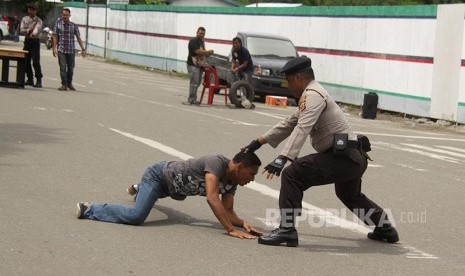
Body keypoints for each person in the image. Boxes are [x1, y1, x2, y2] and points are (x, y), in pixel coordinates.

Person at [242, 56, 399, 247]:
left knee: (293, 175)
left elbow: (302, 127)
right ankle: (385, 228)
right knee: (349, 195)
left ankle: (287, 230)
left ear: (299, 78)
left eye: (290, 81)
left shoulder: (313, 95)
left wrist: (283, 158)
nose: (289, 86)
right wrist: (256, 143)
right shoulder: (312, 94)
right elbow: (289, 123)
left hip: (345, 157)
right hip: (352, 158)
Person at [76, 152, 263, 239]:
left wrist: (241, 223)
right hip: (159, 177)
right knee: (136, 216)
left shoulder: (232, 183)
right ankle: (90, 209)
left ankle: (139, 188)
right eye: (252, 173)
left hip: (173, 190)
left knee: (148, 197)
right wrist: (230, 230)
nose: (252, 179)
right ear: (239, 167)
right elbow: (212, 198)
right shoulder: (217, 163)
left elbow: (228, 210)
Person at [53, 8, 86, 91]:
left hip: (71, 50)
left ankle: (69, 83)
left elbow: (78, 37)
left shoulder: (74, 26)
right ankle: (64, 84)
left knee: (71, 69)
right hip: (61, 50)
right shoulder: (58, 25)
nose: (65, 16)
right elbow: (55, 37)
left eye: (66, 15)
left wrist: (83, 48)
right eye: (63, 15)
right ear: (61, 15)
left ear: (69, 16)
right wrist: (54, 48)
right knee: (62, 68)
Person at [186, 27, 214, 105]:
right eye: (200, 33)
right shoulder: (193, 41)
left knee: (197, 82)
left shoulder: (201, 41)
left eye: (203, 34)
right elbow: (198, 51)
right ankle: (191, 99)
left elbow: (203, 52)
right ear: (197, 32)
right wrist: (207, 52)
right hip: (192, 65)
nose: (202, 35)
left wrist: (208, 54)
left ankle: (193, 98)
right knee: (194, 82)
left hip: (199, 65)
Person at [20, 3, 43, 88]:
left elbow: (37, 28)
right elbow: (21, 30)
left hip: (35, 41)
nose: (30, 11)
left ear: (36, 11)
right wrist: (29, 30)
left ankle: (39, 79)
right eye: (29, 9)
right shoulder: (24, 19)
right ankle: (30, 79)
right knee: (26, 61)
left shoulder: (39, 20)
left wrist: (33, 32)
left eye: (32, 10)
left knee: (36, 62)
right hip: (27, 41)